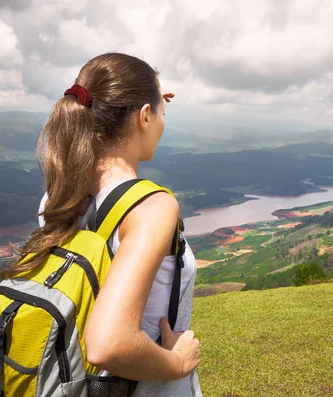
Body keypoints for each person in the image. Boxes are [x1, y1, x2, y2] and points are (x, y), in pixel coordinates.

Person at [11, 52, 202, 396]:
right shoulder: (151, 208)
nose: (163, 121)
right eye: (161, 112)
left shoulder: (59, 197)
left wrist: (154, 95)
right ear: (145, 117)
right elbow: (107, 343)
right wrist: (180, 362)